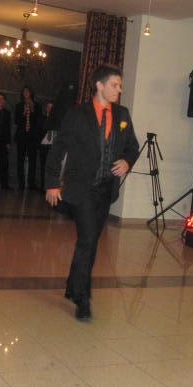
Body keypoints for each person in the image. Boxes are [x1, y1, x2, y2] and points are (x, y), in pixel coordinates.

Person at [45, 63, 139, 321]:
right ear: (99, 85)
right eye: (114, 85)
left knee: (89, 242)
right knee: (87, 240)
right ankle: (82, 299)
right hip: (82, 189)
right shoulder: (77, 114)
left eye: (120, 85)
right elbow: (58, 149)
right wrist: (52, 183)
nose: (119, 90)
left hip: (106, 191)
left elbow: (132, 146)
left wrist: (127, 161)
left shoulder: (122, 114)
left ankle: (73, 286)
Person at [14, 86, 42, 189]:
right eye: (24, 92)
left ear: (31, 93)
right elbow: (16, 121)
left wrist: (33, 110)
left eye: (28, 91)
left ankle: (32, 184)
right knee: (20, 161)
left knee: (32, 161)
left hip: (32, 137)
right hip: (21, 136)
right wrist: (24, 112)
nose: (26, 93)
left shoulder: (37, 106)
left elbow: (39, 122)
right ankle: (21, 184)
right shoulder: (19, 106)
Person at [39, 99, 55, 191]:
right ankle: (43, 186)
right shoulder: (42, 118)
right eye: (48, 107)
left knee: (51, 167)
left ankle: (50, 186)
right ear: (46, 108)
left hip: (52, 145)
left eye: (52, 108)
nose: (50, 109)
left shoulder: (57, 120)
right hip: (44, 144)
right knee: (43, 166)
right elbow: (40, 130)